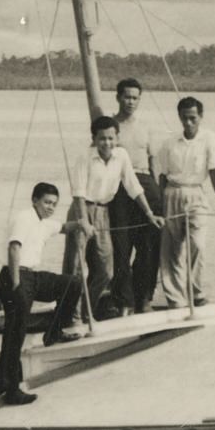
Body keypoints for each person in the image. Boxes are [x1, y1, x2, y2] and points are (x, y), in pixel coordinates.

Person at [0, 179, 75, 403]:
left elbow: (66, 227)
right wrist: (16, 283)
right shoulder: (25, 217)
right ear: (35, 201)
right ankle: (10, 389)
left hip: (32, 276)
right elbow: (14, 248)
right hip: (14, 276)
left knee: (71, 284)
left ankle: (54, 332)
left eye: (54, 204)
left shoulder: (45, 222)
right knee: (15, 332)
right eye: (46, 202)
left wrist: (83, 225)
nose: (50, 207)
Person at [147, 94, 215, 312]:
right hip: (172, 193)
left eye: (193, 118)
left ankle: (196, 293)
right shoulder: (170, 143)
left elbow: (214, 171)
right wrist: (162, 203)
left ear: (200, 117)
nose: (189, 123)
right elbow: (162, 175)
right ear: (179, 118)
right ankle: (176, 299)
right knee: (171, 249)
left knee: (198, 244)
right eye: (184, 118)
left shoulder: (210, 138)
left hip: (196, 194)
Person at [70, 113, 153, 323]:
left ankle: (86, 312)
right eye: (102, 138)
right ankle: (72, 317)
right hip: (83, 210)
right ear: (94, 139)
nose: (107, 143)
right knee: (77, 267)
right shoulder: (85, 157)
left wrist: (149, 213)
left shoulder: (122, 155)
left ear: (117, 138)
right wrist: (84, 222)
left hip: (104, 212)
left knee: (106, 270)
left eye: (110, 138)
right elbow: (78, 192)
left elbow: (133, 186)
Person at [95, 76, 167, 314]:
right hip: (120, 187)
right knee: (121, 248)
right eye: (126, 97)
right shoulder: (111, 128)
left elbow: (153, 160)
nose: (130, 102)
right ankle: (123, 302)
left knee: (149, 247)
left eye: (135, 98)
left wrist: (157, 190)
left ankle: (144, 298)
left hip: (145, 182)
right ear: (118, 97)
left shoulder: (146, 127)